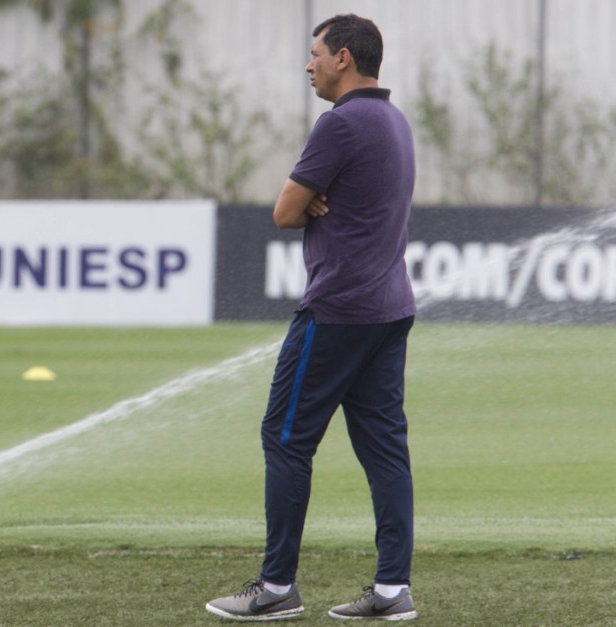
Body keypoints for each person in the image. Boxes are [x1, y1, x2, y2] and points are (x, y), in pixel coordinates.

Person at [205, 14, 418, 622]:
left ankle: (275, 588)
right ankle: (391, 590)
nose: (309, 65)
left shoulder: (341, 123)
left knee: (285, 438)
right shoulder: (394, 121)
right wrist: (317, 200)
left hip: (338, 310)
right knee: (385, 450)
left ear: (343, 58)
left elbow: (283, 212)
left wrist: (311, 201)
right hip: (389, 308)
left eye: (315, 53)